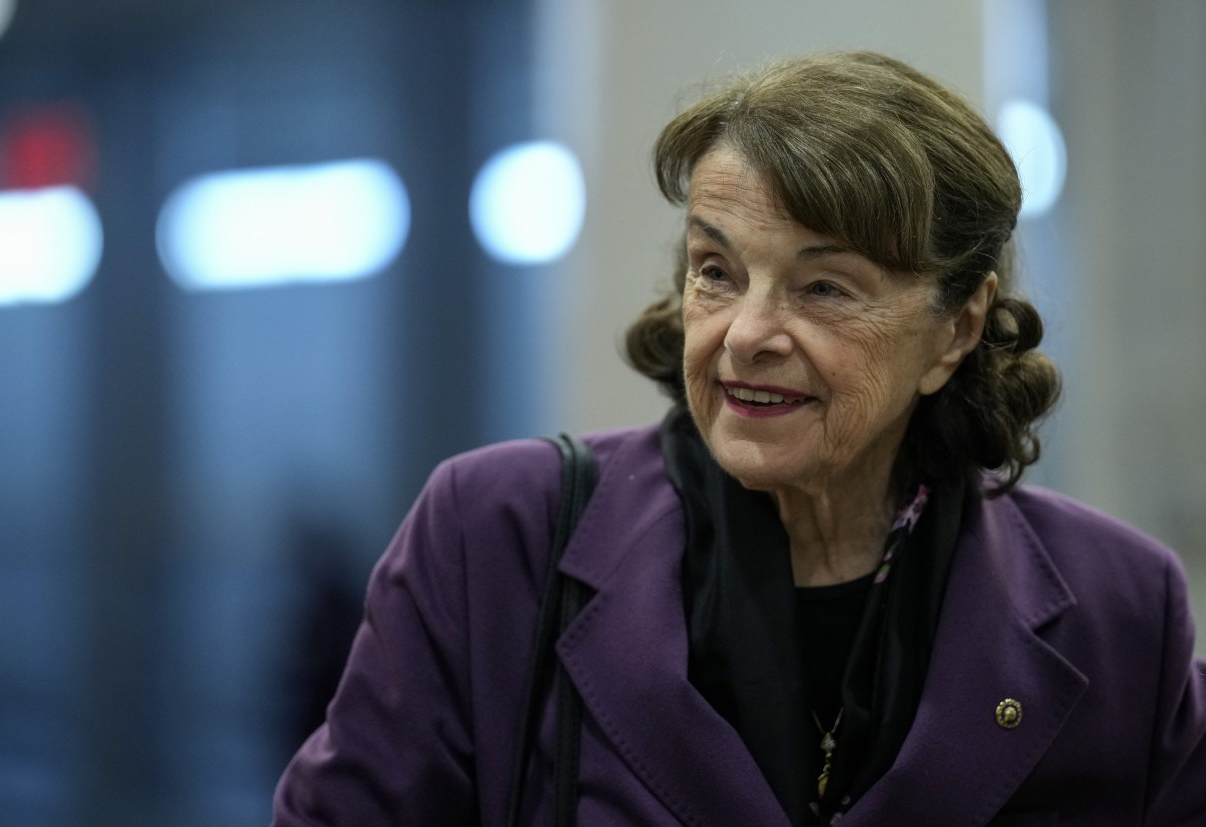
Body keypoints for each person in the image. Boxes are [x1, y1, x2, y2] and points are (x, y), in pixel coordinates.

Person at [271, 51, 1206, 826]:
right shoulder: (497, 538)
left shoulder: (1122, 614)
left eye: (823, 287)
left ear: (956, 328)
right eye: (716, 270)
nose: (746, 332)